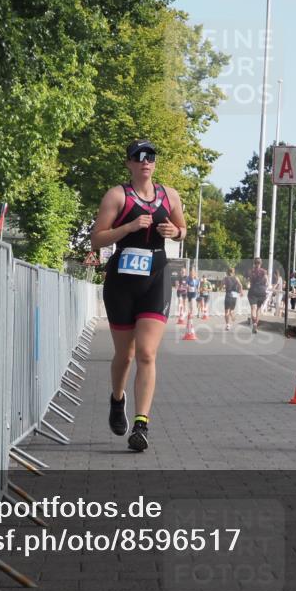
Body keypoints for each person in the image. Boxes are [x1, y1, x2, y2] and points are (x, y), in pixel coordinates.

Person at [91, 140, 187, 452]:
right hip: (121, 282)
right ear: (129, 163)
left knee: (146, 353)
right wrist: (130, 225)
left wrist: (175, 232)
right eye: (139, 157)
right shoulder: (117, 195)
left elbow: (183, 228)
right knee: (126, 355)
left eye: (151, 157)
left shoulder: (169, 194)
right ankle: (117, 399)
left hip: (155, 280)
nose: (146, 161)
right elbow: (97, 238)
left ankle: (141, 424)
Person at [247, 258, 268, 333]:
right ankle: (256, 324)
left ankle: (254, 323)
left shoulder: (251, 271)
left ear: (254, 263)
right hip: (262, 291)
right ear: (261, 263)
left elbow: (249, 281)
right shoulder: (264, 271)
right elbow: (266, 281)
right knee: (258, 309)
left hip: (253, 290)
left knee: (253, 308)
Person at [223, 267, 242, 331]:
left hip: (228, 294)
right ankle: (233, 317)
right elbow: (240, 285)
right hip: (235, 295)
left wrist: (221, 287)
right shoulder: (236, 278)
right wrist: (241, 292)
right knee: (231, 310)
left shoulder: (225, 278)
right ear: (233, 272)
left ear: (227, 272)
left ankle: (228, 325)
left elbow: (221, 284)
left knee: (226, 311)